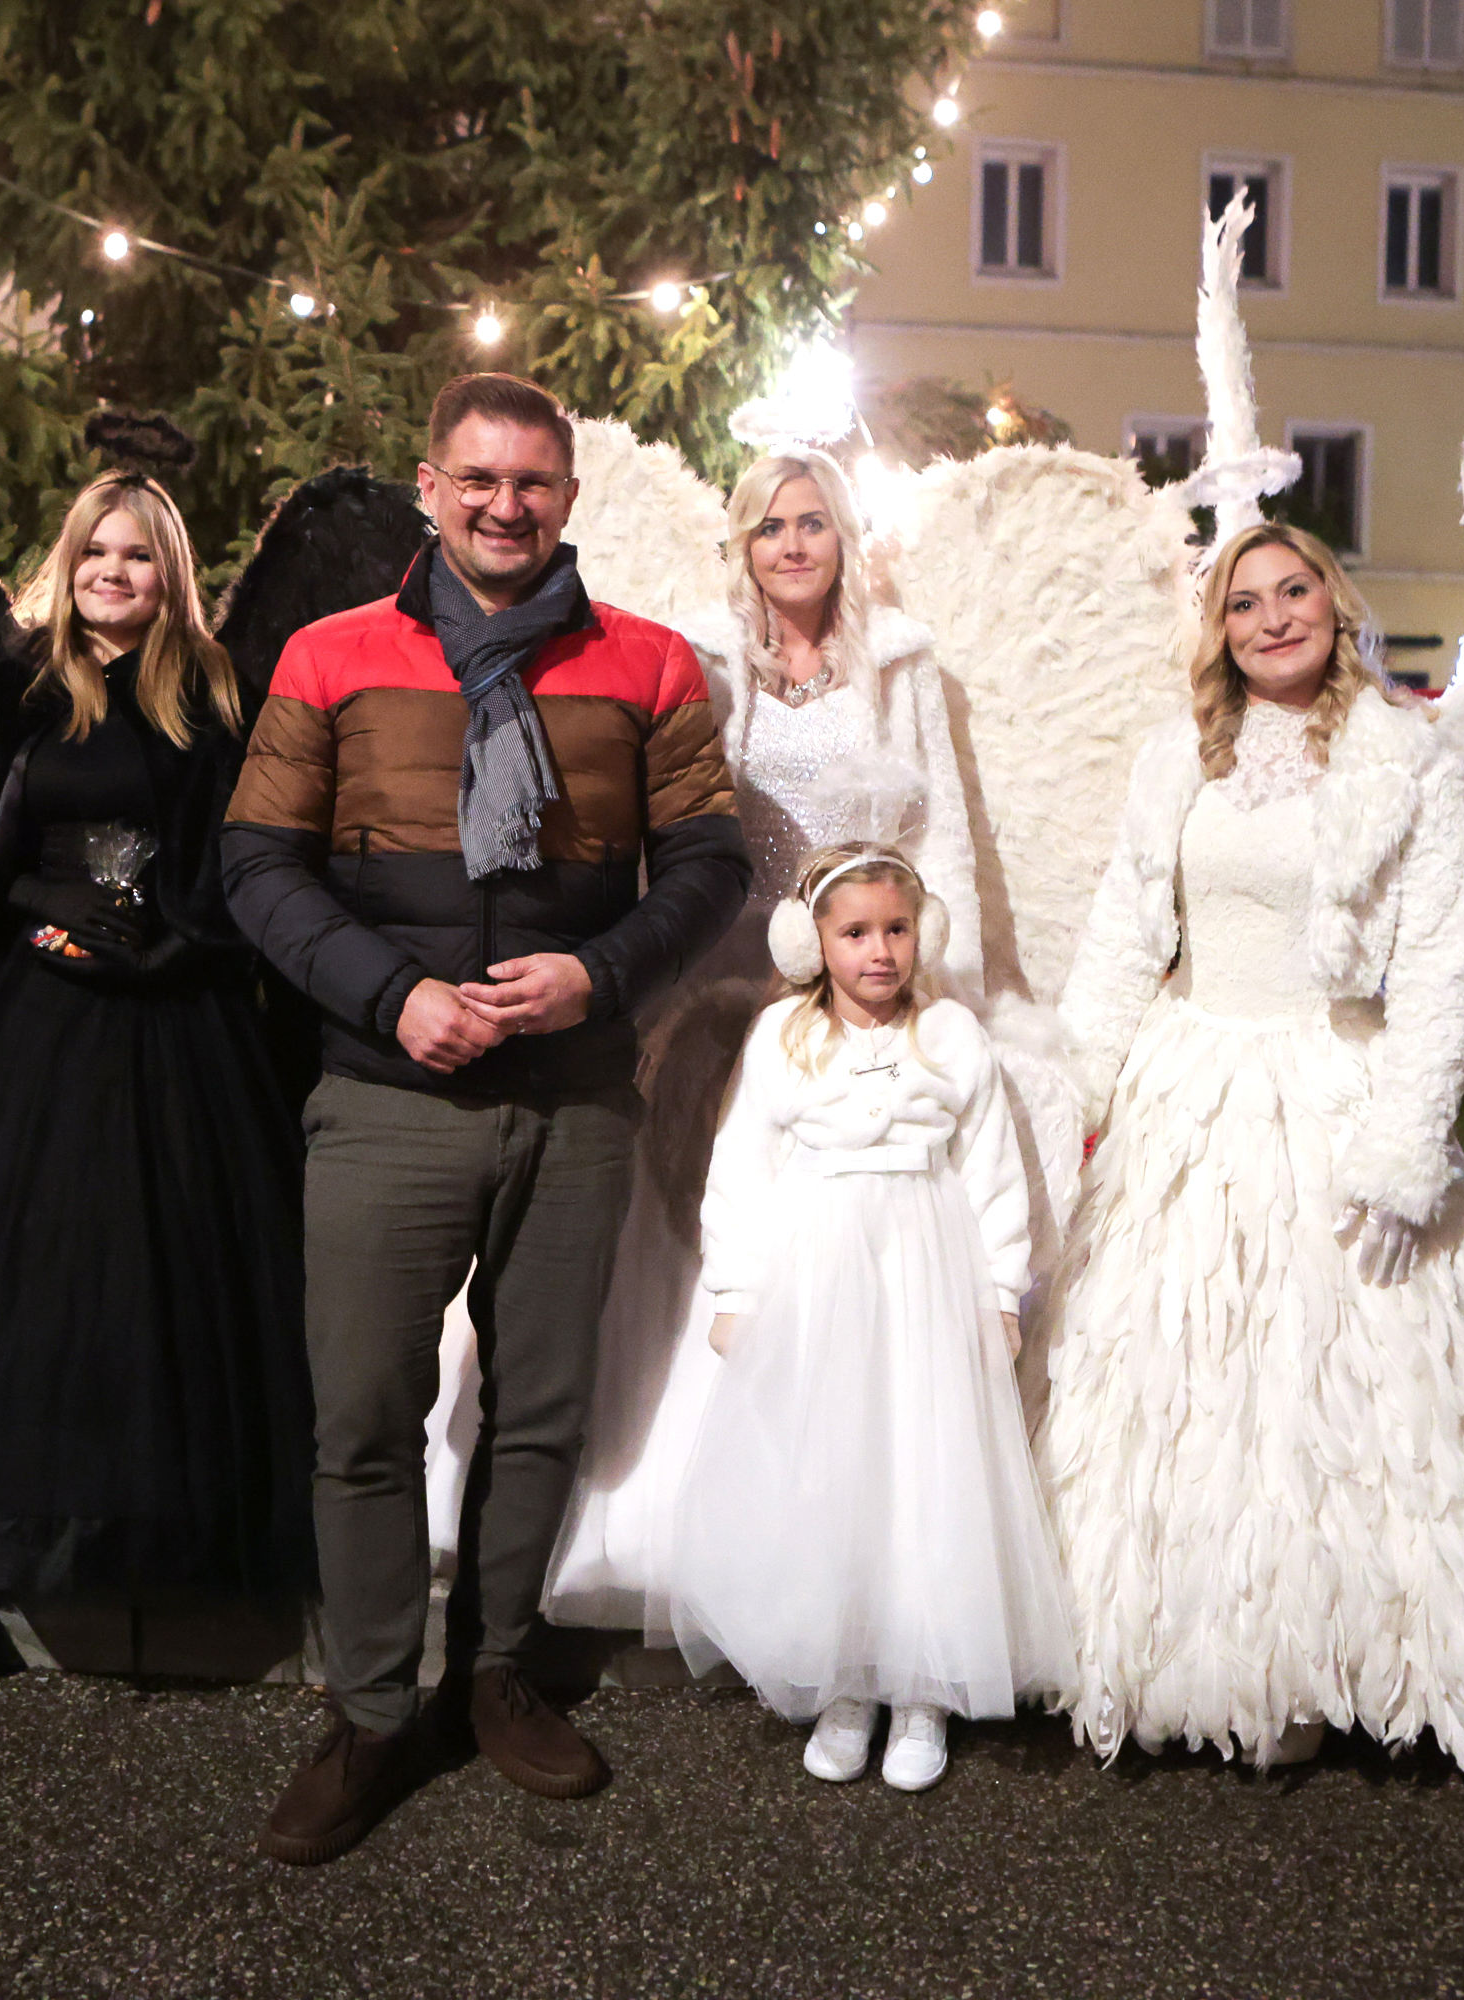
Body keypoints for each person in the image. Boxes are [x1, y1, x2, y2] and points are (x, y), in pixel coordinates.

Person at [223, 373, 749, 1863]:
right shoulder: (333, 655)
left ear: (568, 499)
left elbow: (708, 868)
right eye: (479, 479)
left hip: (575, 1099)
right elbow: (258, 868)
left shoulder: (647, 665)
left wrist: (601, 974)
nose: (506, 504)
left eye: (533, 482)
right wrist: (392, 997)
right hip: (388, 1098)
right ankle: (378, 1708)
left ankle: (499, 1671)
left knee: (542, 1410)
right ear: (428, 487)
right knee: (367, 1415)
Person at [1036, 522, 1464, 1781]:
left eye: (1292, 590)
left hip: (1339, 1090)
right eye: (1243, 601)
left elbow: (1439, 964)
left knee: (1347, 1395)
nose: (1271, 618)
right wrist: (1071, 1087)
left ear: (1333, 598)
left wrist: (1410, 1133)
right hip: (1190, 1086)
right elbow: (1118, 936)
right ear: (1219, 630)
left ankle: (1343, 1660)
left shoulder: (1406, 759)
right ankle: (1184, 1654)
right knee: (1181, 1380)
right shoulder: (1173, 759)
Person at [542, 449, 978, 1636]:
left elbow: (939, 832)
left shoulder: (901, 666)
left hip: (862, 979)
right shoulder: (704, 667)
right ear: (742, 547)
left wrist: (938, 972)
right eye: (769, 528)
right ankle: (669, 1514)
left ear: (844, 536)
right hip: (719, 974)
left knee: (833, 1230)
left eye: (812, 524)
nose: (792, 545)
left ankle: (834, 1520)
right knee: (696, 1213)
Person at [0, 471, 311, 1598]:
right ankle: (34, 1529)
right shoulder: (10, 694)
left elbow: (253, 847)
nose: (114, 573)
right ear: (70, 564)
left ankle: (169, 1534)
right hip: (36, 1017)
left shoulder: (217, 693)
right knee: (37, 1261)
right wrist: (31, 917)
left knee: (170, 1263)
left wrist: (173, 944)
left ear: (171, 571)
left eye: (138, 555)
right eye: (97, 553)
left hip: (180, 1010)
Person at [666, 843, 1071, 1794]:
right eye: (855, 933)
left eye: (895, 929)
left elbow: (992, 1177)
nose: (878, 951)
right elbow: (741, 1173)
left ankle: (922, 1681)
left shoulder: (954, 1037)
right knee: (835, 1465)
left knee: (925, 1466)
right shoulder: (780, 1038)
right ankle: (847, 1674)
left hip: (925, 1271)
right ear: (814, 943)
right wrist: (737, 1293)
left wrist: (996, 1293)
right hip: (820, 1276)